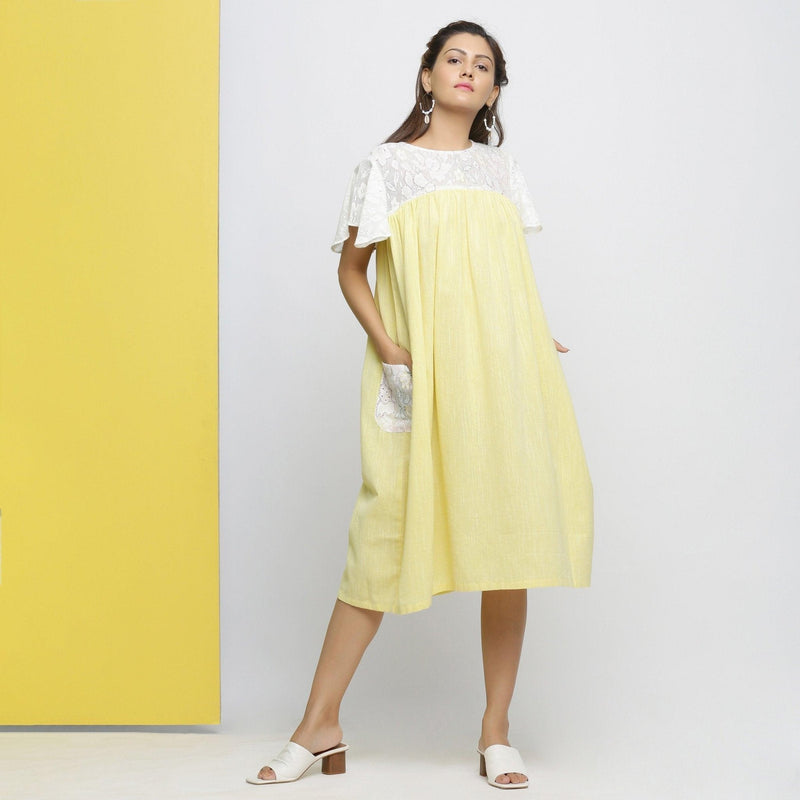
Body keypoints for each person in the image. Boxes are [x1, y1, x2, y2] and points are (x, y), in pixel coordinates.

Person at [247, 19, 594, 790]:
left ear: (495, 88)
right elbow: (352, 271)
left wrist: (537, 334)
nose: (468, 71)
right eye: (453, 59)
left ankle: (495, 733)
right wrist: (390, 346)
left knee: (513, 539)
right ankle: (320, 724)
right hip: (418, 376)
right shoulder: (387, 167)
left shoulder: (501, 173)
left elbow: (501, 275)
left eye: (484, 65)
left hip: (504, 376)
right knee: (381, 539)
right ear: (428, 76)